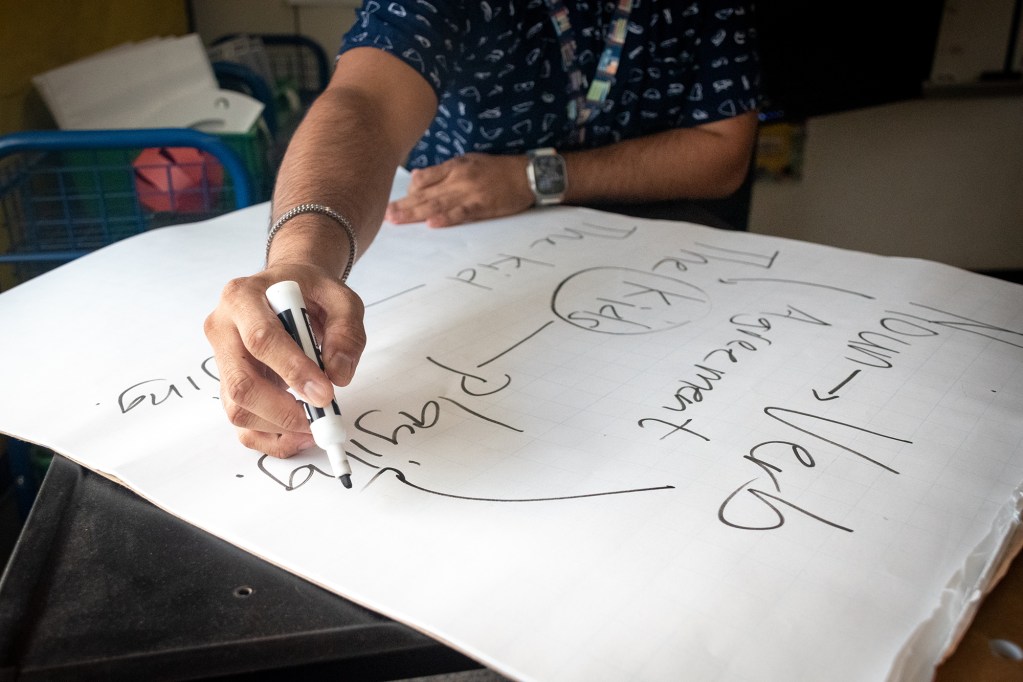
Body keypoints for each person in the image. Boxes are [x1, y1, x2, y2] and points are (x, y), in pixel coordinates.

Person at [204, 0, 762, 458]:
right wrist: (302, 261)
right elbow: (366, 102)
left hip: (664, 249)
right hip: (449, 233)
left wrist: (535, 176)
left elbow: (723, 152)